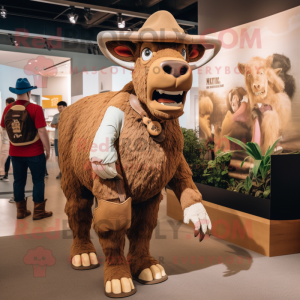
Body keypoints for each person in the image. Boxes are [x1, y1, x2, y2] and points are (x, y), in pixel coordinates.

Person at [0, 78, 53, 220]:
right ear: (29, 91)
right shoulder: (36, 108)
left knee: (18, 181)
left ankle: (21, 211)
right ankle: (39, 212)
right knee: (38, 181)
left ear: (16, 92)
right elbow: (42, 131)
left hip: (15, 153)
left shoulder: (7, 108)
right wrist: (48, 150)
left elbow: (4, 128)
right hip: (35, 152)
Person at [51, 100, 67, 179]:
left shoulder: (70, 115)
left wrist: (58, 125)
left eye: (60, 108)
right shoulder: (56, 116)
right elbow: (52, 125)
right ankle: (61, 171)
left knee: (67, 156)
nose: (59, 109)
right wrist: (59, 124)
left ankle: (67, 172)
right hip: (57, 138)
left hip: (66, 139)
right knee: (59, 156)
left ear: (65, 107)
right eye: (58, 108)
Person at [0, 98, 15, 182]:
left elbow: (3, 125)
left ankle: (4, 174)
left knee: (6, 155)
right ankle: (6, 175)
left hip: (7, 137)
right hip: (18, 138)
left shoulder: (7, 108)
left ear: (7, 103)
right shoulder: (20, 107)